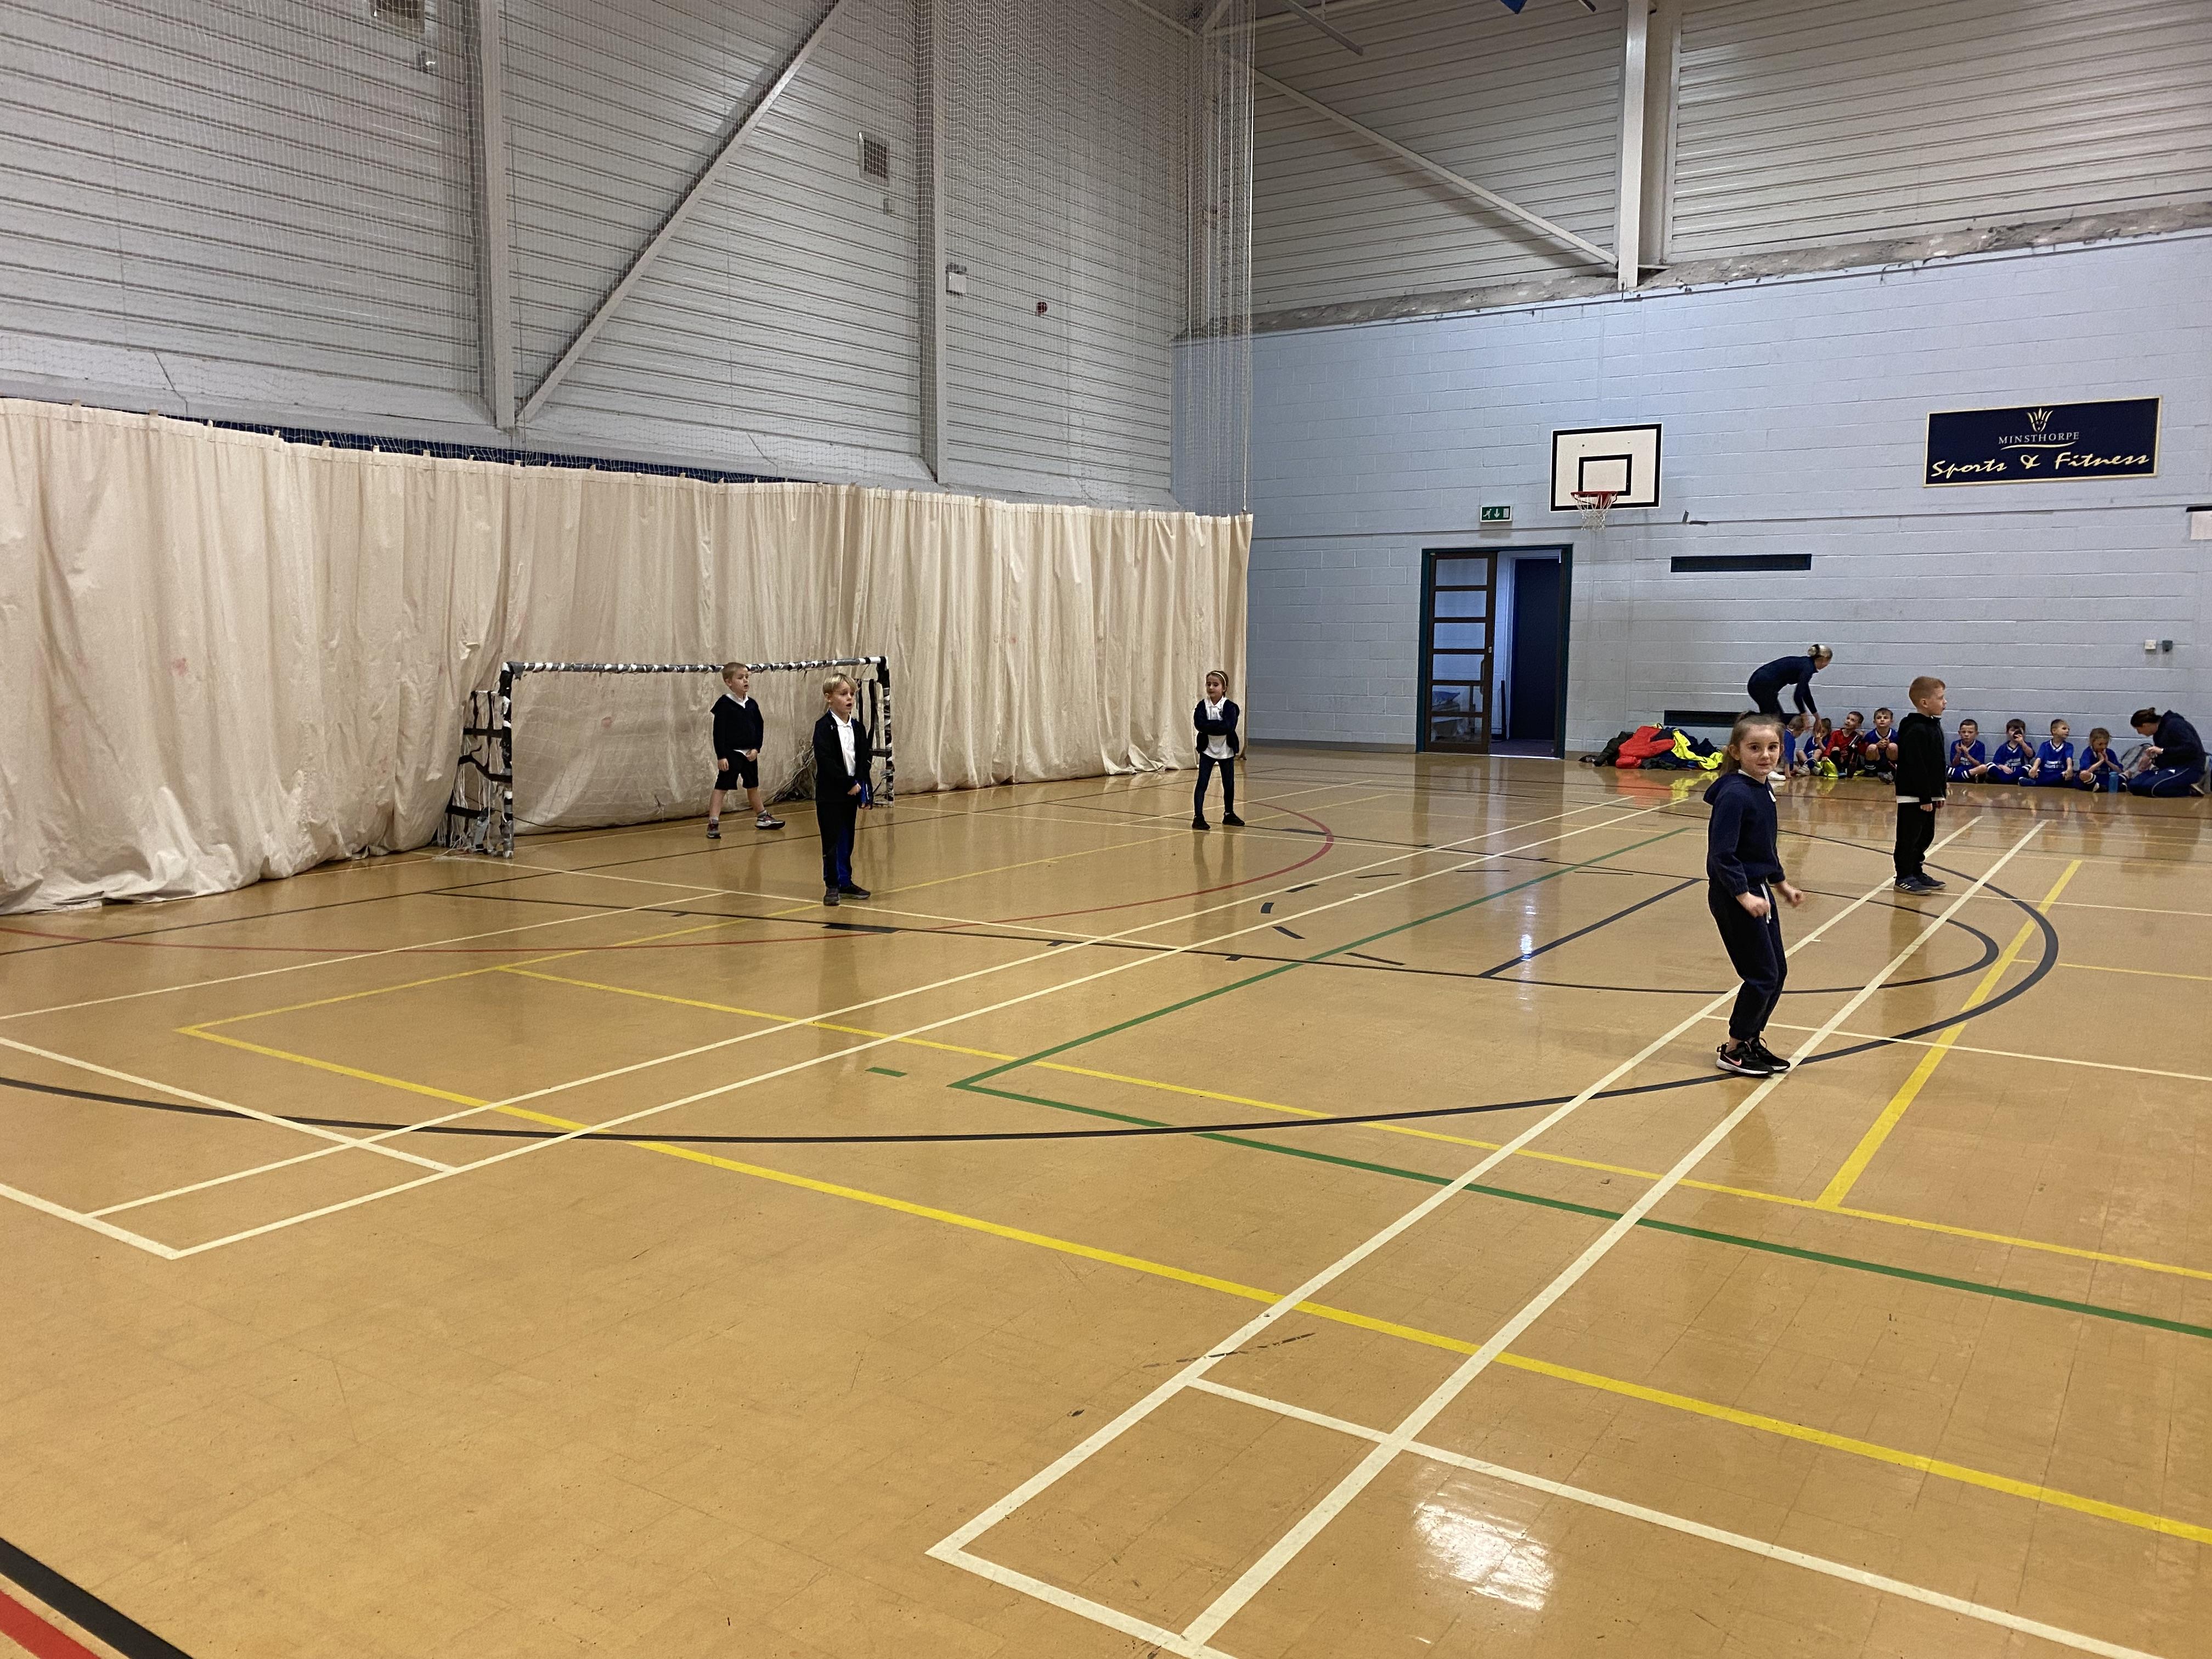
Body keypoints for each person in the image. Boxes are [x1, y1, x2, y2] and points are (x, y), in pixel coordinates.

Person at [1704, 713, 1803, 1077]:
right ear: (1736, 751)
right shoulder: (1734, 794)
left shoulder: (1763, 789)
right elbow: (1722, 855)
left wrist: (1781, 883)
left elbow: (1762, 846)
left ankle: (1750, 1039)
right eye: (1755, 748)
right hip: (1736, 895)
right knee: (1762, 975)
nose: (1765, 755)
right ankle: (1733, 1050)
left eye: (1773, 747)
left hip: (1758, 890)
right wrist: (1743, 896)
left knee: (1777, 972)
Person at [811, 673, 873, 906]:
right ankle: (832, 885)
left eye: (852, 694)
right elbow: (826, 761)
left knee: (847, 839)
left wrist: (863, 787)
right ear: (829, 698)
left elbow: (863, 760)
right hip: (831, 795)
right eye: (843, 694)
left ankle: (846, 881)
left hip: (852, 793)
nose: (849, 698)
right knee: (832, 841)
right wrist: (847, 783)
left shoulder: (858, 728)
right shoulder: (823, 727)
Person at [707, 662, 785, 840]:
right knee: (722, 787)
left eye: (747, 677)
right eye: (740, 678)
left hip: (750, 755)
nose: (745, 681)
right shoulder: (724, 704)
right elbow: (718, 732)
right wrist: (721, 756)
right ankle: (713, 822)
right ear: (729, 682)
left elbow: (759, 728)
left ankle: (762, 817)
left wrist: (757, 749)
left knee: (753, 786)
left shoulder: (752, 705)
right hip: (731, 754)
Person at [1893, 677, 1948, 894]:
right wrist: (1925, 796)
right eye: (1941, 698)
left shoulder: (1934, 726)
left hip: (1928, 794)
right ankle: (1904, 876)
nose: (1945, 702)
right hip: (1914, 795)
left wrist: (1939, 792)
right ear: (1925, 702)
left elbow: (1937, 762)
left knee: (1926, 835)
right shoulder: (1914, 729)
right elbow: (1916, 765)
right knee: (1909, 837)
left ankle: (1916, 871)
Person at [1192, 669, 1244, 830]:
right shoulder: (1202, 706)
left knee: (1228, 784)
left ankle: (1229, 814)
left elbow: (1228, 727)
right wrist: (1217, 726)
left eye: (1216, 685)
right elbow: (1199, 724)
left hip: (1226, 750)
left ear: (1224, 688)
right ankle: (1198, 817)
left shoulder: (1230, 707)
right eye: (1209, 684)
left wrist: (1209, 726)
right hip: (1207, 750)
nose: (1211, 688)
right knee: (1202, 783)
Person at [2126, 707, 2208, 797]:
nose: (2139, 733)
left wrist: (2162, 751)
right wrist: (2151, 759)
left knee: (2152, 788)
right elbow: (2166, 754)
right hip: (2169, 767)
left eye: (2138, 729)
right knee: (2134, 785)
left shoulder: (2175, 725)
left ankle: (2189, 790)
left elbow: (2192, 748)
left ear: (2145, 725)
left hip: (2188, 767)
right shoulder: (2158, 733)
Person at [1746, 646, 1832, 719]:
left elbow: (1806, 694)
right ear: (1824, 660)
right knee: (1776, 719)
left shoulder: (1805, 664)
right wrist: (1804, 715)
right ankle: (1747, 719)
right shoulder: (1808, 669)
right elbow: (1797, 697)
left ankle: (1748, 718)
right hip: (1761, 685)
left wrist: (1817, 717)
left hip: (1758, 682)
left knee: (1771, 717)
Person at [2027, 718, 2076, 787]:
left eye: (2068, 729)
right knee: (2038, 774)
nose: (2067, 731)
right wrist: (2034, 768)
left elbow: (2069, 759)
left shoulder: (2069, 746)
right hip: (2046, 773)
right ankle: (2047, 782)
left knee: (2065, 777)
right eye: (2064, 729)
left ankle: (2035, 783)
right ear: (2054, 731)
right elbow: (2039, 758)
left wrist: (2070, 769)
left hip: (2060, 773)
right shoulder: (2045, 745)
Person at [2074, 727, 2124, 792]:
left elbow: (2119, 771)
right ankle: (2104, 787)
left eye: (2106, 744)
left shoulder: (2110, 753)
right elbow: (2086, 771)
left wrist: (2107, 762)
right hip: (2093, 778)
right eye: (2100, 744)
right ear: (2092, 742)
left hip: (2105, 777)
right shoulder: (2088, 753)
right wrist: (2101, 761)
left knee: (2125, 774)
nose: (2104, 747)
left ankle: (2102, 787)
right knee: (2082, 776)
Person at [1987, 719, 2033, 784]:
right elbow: (1996, 762)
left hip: (2019, 772)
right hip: (2005, 772)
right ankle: (2011, 780)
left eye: (2018, 731)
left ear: (2023, 733)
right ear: (2007, 732)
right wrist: (2003, 767)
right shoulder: (2003, 747)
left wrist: (2022, 742)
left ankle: (2005, 781)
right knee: (1989, 765)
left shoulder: (2026, 745)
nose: (2015, 733)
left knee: (2029, 767)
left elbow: (2030, 755)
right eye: (2013, 730)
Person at [1859, 707, 1898, 783]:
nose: (1882, 720)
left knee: (1893, 746)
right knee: (1872, 747)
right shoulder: (1870, 735)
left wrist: (1889, 744)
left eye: (1886, 718)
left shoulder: (1895, 735)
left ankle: (1893, 769)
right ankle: (1870, 769)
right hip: (1876, 762)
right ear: (1874, 721)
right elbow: (1862, 750)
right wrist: (1876, 745)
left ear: (1891, 721)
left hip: (1888, 762)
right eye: (1879, 718)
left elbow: (1902, 750)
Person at [1822, 710, 1865, 778]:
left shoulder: (1856, 736)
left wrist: (1859, 738)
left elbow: (1862, 751)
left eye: (1853, 720)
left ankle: (1850, 769)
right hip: (1837, 759)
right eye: (1848, 718)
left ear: (1858, 725)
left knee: (1855, 747)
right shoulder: (1836, 734)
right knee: (1835, 748)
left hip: (1848, 760)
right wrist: (1826, 755)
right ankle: (1840, 770)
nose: (1848, 721)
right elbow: (1830, 746)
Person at [1946, 719, 1988, 783]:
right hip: (1959, 770)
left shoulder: (1980, 745)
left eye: (1970, 732)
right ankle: (1961, 776)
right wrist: (1958, 754)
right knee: (1947, 768)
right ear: (1959, 733)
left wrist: (1968, 755)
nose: (1966, 735)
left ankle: (1960, 777)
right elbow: (1954, 765)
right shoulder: (1956, 744)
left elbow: (1979, 765)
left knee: (1983, 769)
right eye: (1964, 732)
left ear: (1976, 734)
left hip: (1972, 771)